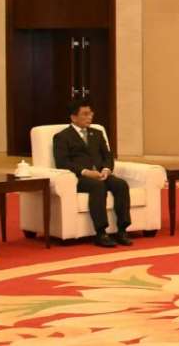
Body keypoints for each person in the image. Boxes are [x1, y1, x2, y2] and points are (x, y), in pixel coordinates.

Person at [53, 100, 133, 247]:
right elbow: (62, 162)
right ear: (73, 117)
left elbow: (108, 156)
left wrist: (106, 169)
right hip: (79, 178)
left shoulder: (97, 133)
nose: (89, 117)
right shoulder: (62, 137)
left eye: (90, 113)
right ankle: (101, 233)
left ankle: (122, 230)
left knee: (121, 184)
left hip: (101, 174)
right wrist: (85, 172)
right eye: (85, 114)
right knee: (97, 186)